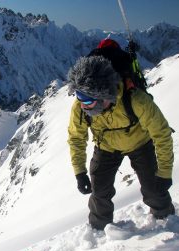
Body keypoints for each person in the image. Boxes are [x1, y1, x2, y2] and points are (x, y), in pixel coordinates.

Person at [67, 53, 175, 230]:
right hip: (106, 147)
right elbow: (76, 137)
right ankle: (99, 229)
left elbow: (161, 133)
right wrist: (79, 171)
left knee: (154, 188)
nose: (82, 104)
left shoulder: (136, 100)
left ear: (103, 96)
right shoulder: (81, 107)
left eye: (87, 99)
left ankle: (166, 220)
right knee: (99, 192)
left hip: (140, 143)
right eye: (78, 96)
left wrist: (164, 173)